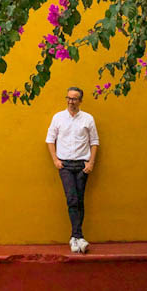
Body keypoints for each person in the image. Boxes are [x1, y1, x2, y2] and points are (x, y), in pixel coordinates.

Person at [46, 86, 99, 253]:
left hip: (82, 165)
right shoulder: (58, 118)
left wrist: (91, 163)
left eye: (74, 99)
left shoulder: (88, 119)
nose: (71, 101)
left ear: (80, 101)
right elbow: (50, 139)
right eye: (68, 98)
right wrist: (55, 159)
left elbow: (94, 141)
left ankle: (76, 238)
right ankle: (78, 236)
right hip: (65, 165)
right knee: (72, 199)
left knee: (80, 199)